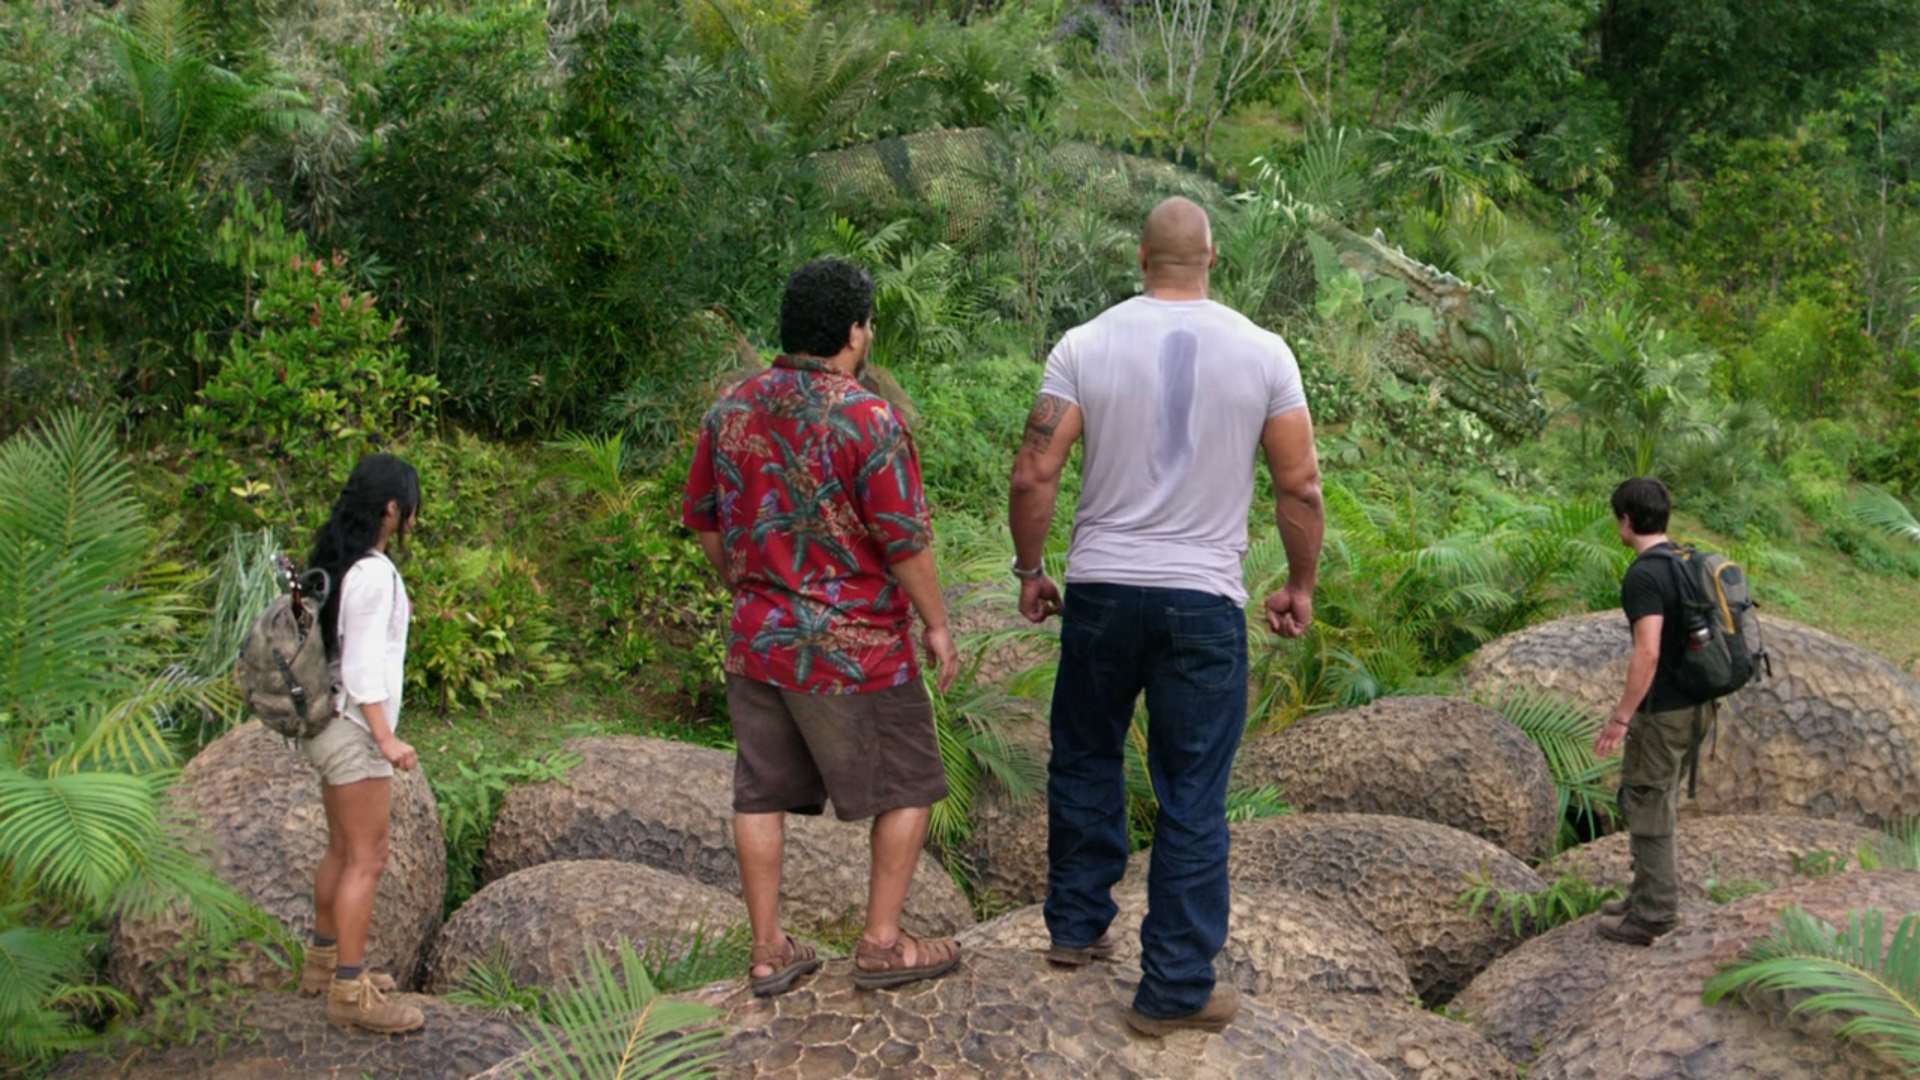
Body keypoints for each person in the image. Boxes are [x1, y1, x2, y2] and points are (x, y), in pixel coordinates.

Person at [1008, 197, 1325, 1036]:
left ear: (1141, 258)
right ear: (1212, 257)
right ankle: (1175, 987)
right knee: (1192, 793)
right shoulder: (1265, 353)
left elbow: (1035, 472)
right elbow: (1299, 485)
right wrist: (1300, 584)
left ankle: (1076, 928)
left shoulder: (1084, 344)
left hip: (1102, 590)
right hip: (1203, 601)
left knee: (1085, 755)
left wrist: (1032, 571)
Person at [683, 257, 964, 996]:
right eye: (866, 324)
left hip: (758, 641)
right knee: (910, 784)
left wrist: (744, 585)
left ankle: (768, 950)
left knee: (759, 793)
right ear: (854, 331)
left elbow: (705, 521)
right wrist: (937, 624)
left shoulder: (731, 409)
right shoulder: (868, 419)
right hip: (856, 648)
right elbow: (904, 541)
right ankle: (882, 944)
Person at [297, 454, 425, 1034]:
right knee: (367, 857)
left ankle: (323, 963)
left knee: (342, 849)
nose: (413, 514)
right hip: (354, 729)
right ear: (392, 507)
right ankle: (350, 991)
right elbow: (362, 666)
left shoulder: (339, 562)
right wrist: (385, 738)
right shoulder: (374, 575)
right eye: (410, 503)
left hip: (327, 725)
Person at [1593, 476, 1713, 946]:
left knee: (1648, 806)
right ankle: (1643, 894)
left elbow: (1647, 652)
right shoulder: (1685, 560)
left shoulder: (1644, 575)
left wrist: (1621, 717)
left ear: (1626, 521)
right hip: (1696, 706)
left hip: (1663, 714)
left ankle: (1654, 915)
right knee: (1657, 802)